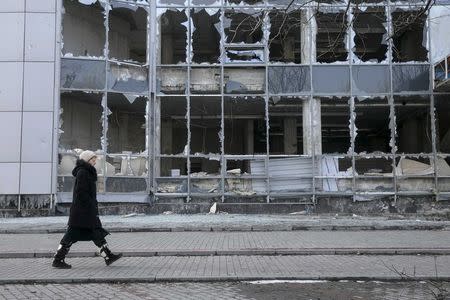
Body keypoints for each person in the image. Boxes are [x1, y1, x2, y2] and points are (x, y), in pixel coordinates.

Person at [52, 150, 122, 269]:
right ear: (87, 160)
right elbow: (81, 192)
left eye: (95, 159)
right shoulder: (83, 172)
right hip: (82, 212)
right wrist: (90, 204)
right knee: (71, 235)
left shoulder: (85, 172)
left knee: (96, 233)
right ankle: (58, 259)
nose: (95, 161)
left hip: (85, 211)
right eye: (93, 159)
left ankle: (108, 256)